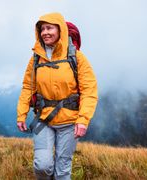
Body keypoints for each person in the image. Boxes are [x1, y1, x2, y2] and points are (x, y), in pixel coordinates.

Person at [17, 12, 98, 180]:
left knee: (62, 169)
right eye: (42, 29)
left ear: (60, 30)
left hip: (69, 122)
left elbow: (89, 89)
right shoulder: (36, 59)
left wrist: (83, 120)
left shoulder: (76, 57)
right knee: (42, 166)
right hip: (43, 119)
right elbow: (27, 87)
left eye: (49, 28)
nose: (45, 32)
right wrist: (21, 114)